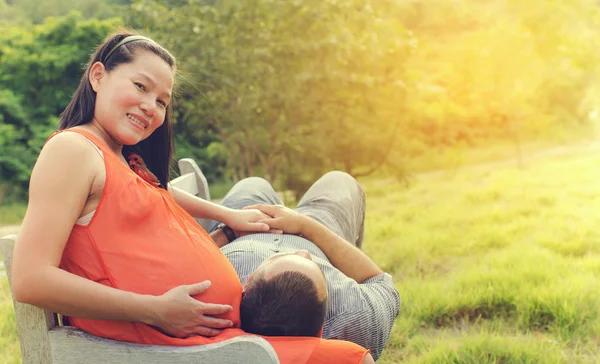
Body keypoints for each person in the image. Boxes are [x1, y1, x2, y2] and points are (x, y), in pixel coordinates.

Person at [10, 31, 375, 364]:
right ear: (98, 76)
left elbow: (158, 195)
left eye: (162, 101)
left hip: (211, 336)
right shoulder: (72, 150)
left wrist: (228, 218)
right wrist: (155, 310)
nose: (151, 106)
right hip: (167, 346)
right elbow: (30, 278)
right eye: (140, 86)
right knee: (355, 358)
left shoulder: (121, 157)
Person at [208, 172, 401, 360]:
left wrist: (228, 232)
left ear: (246, 286)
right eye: (313, 265)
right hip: (317, 233)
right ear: (320, 332)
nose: (303, 253)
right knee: (339, 180)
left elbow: (185, 259)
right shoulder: (354, 317)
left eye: (275, 260)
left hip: (241, 226)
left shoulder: (208, 306)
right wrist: (304, 225)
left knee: (252, 183)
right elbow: (379, 281)